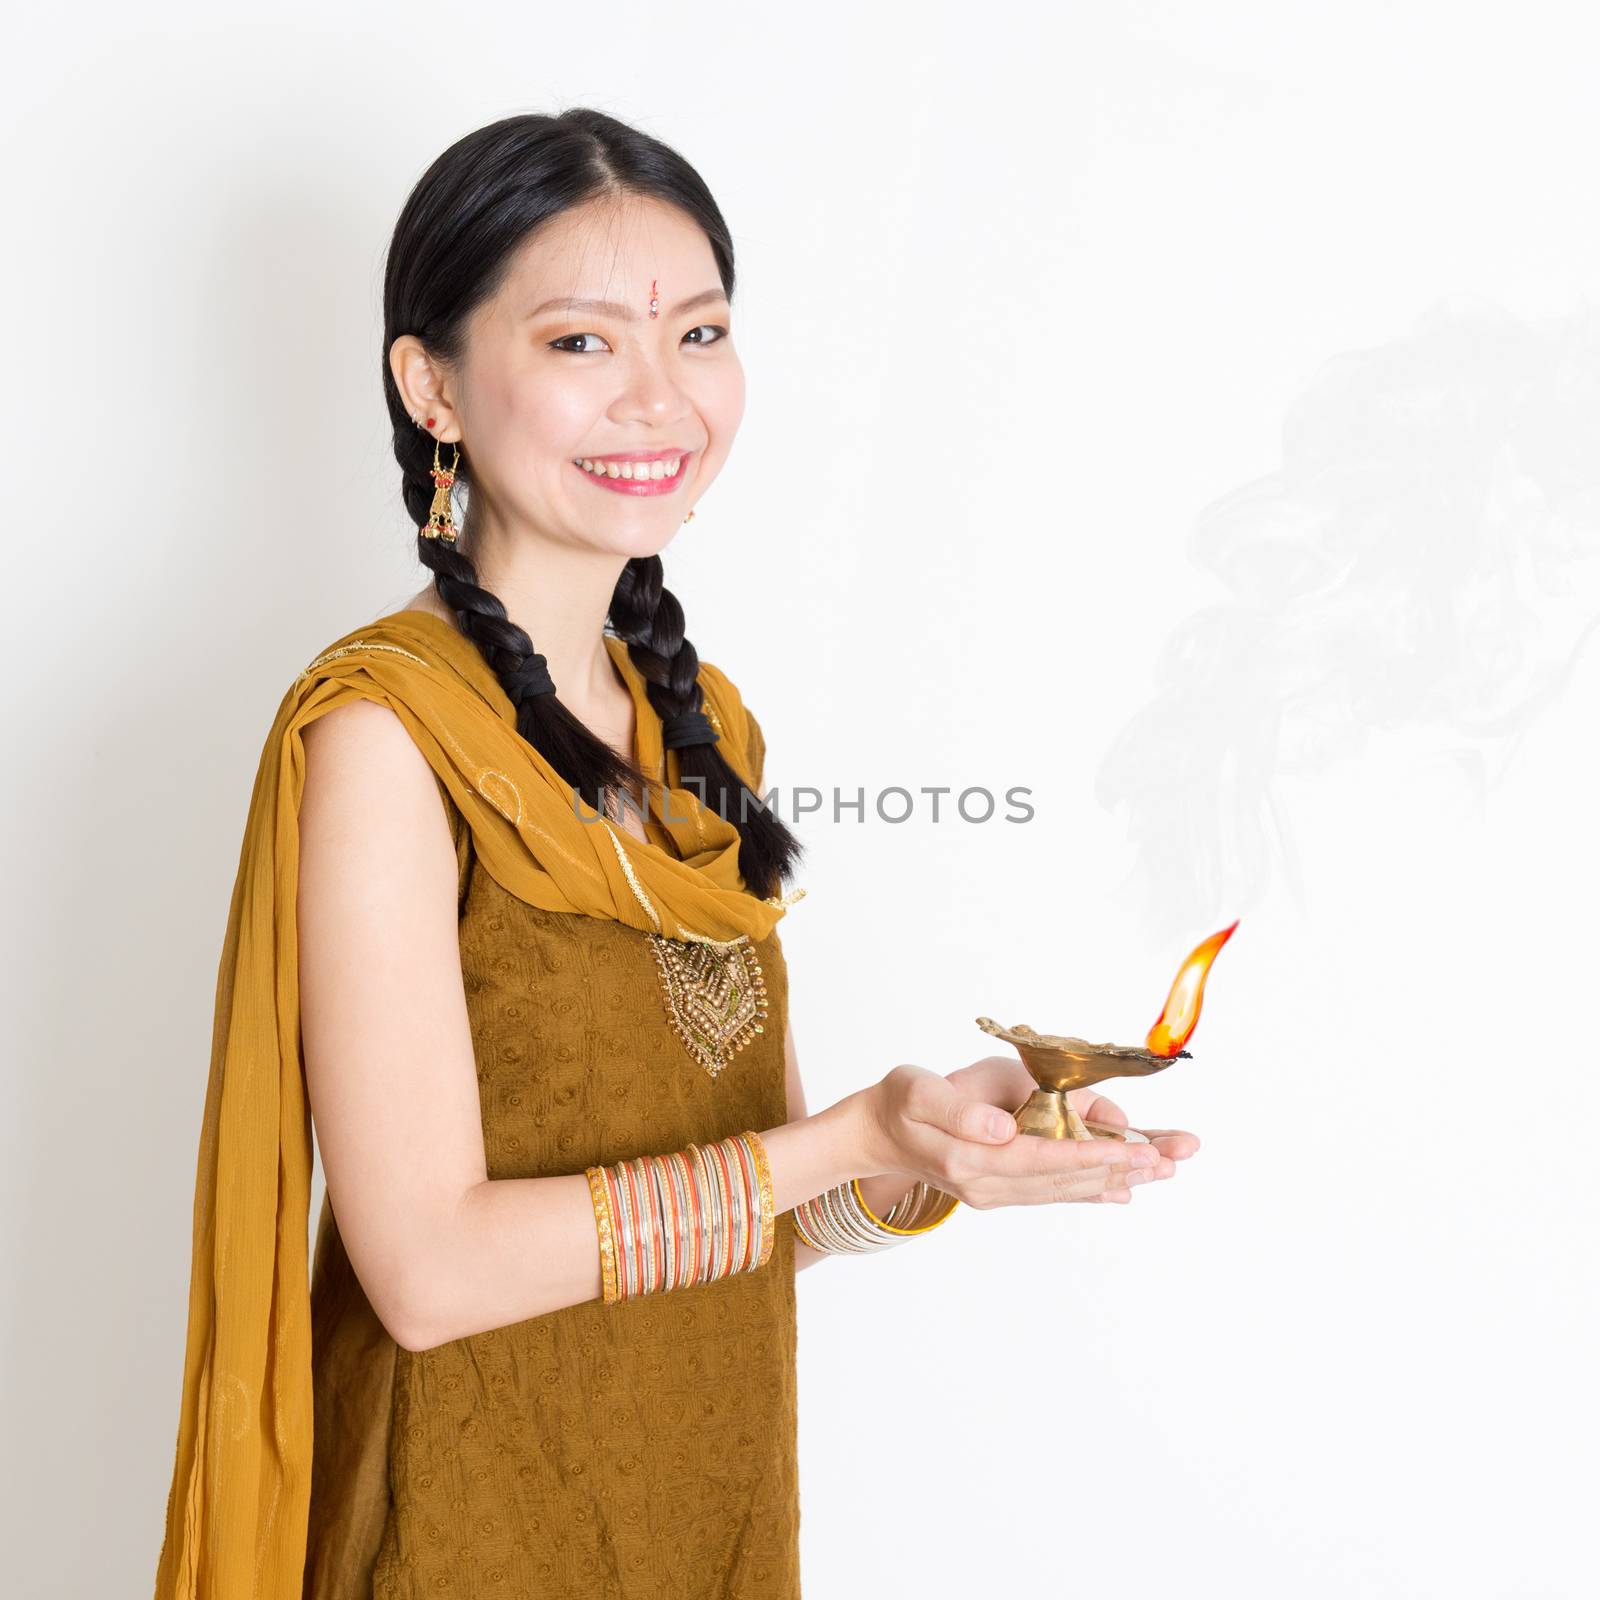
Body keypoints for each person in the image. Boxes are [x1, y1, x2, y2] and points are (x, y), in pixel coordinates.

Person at [151, 107, 1199, 1600]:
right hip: (468, 1529)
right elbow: (431, 1274)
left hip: (702, 1512)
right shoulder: (387, 737)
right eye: (584, 344)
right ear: (431, 383)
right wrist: (842, 1138)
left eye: (700, 336)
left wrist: (927, 1155)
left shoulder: (706, 734)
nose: (661, 400)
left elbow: (763, 1206)